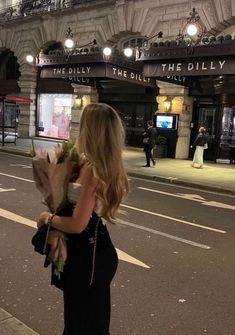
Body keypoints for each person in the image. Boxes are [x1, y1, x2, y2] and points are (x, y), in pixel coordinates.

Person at [37, 103, 129, 335]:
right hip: (98, 251)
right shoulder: (104, 165)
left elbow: (78, 224)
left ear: (91, 130)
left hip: (88, 257)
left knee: (80, 326)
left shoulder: (92, 169)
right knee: (93, 323)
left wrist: (48, 218)